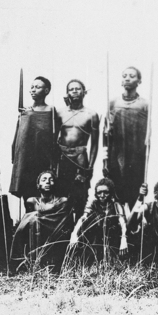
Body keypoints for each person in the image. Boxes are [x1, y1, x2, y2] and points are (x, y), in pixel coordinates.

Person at [10, 76, 61, 210]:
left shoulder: (51, 111)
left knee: (45, 195)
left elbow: (57, 136)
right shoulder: (25, 112)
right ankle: (28, 225)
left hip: (43, 160)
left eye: (37, 87)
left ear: (46, 90)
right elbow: (18, 138)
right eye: (32, 87)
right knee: (28, 199)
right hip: (26, 162)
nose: (33, 90)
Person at [103, 67, 148, 212]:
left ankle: (133, 224)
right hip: (117, 154)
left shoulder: (144, 104)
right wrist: (105, 161)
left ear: (139, 81)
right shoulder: (113, 103)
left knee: (135, 189)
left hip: (136, 155)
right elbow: (105, 134)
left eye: (132, 76)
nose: (127, 78)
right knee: (116, 189)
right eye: (125, 76)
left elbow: (149, 131)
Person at [10, 170, 73, 272]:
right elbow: (27, 222)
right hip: (35, 235)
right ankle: (32, 263)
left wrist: (39, 219)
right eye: (44, 180)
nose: (47, 182)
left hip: (54, 235)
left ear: (55, 184)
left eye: (51, 180)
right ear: (38, 184)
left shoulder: (62, 201)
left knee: (35, 218)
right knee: (33, 219)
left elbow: (62, 223)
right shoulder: (32, 201)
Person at [57, 79, 100, 219]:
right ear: (67, 93)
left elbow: (94, 143)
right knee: (62, 196)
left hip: (80, 158)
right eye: (71, 89)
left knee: (80, 197)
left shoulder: (91, 114)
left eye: (78, 88)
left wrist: (91, 166)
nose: (74, 91)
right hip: (63, 157)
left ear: (84, 92)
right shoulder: (59, 113)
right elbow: (52, 138)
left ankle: (80, 233)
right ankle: (64, 234)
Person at [69, 178, 128, 262]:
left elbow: (122, 223)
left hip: (112, 239)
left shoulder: (116, 205)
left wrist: (123, 239)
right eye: (99, 192)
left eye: (106, 192)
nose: (102, 195)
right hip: (96, 240)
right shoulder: (93, 204)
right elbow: (83, 218)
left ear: (111, 192)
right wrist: (74, 234)